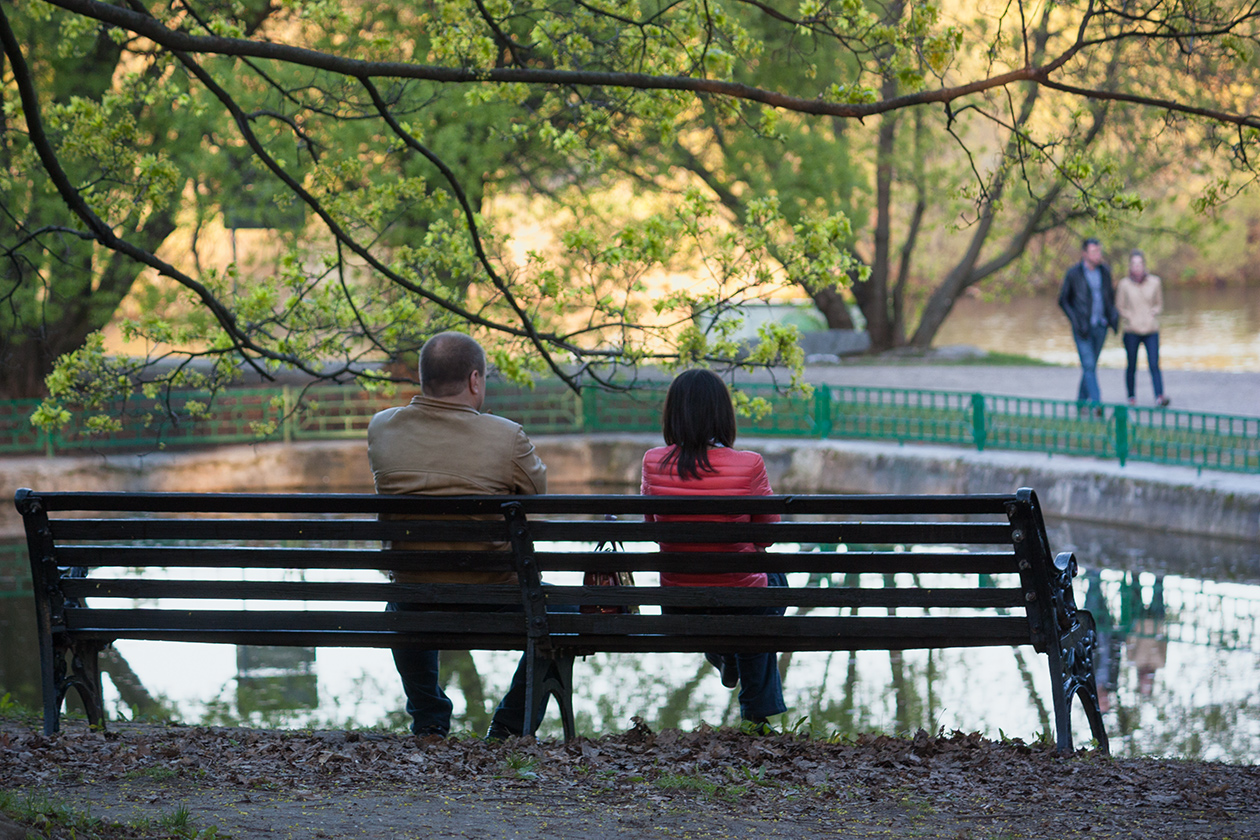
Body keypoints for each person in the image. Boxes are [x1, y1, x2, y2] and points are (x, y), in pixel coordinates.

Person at [367, 331, 563, 740]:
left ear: (423, 379)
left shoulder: (382, 428)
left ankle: (430, 719)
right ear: (475, 381)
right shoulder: (506, 437)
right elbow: (537, 495)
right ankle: (509, 727)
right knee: (562, 619)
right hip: (496, 598)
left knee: (403, 599)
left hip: (415, 599)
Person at [640, 369, 788, 732]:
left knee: (758, 597)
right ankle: (755, 713)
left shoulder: (652, 462)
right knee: (772, 586)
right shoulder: (749, 464)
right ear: (723, 414)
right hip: (741, 601)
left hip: (677, 602)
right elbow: (767, 535)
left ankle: (726, 655)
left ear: (673, 413)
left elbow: (652, 531)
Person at [1058, 237, 1119, 406]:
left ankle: (1080, 403)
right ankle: (1097, 403)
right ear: (1084, 253)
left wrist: (1112, 316)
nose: (1098, 255)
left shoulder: (1105, 272)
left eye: (1099, 251)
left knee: (1090, 367)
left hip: (1100, 326)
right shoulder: (1074, 274)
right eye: (1094, 252)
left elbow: (1110, 297)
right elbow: (1063, 300)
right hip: (1082, 328)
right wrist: (1075, 320)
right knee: (1089, 365)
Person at [1115, 250, 1171, 407]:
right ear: (1130, 266)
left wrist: (1154, 311)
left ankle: (1159, 396)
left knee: (1154, 364)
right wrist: (1129, 316)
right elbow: (1119, 306)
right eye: (1134, 264)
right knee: (1131, 365)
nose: (1137, 267)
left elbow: (1159, 303)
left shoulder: (1155, 282)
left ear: (1144, 265)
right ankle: (1131, 396)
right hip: (1132, 330)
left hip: (1150, 329)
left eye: (1139, 263)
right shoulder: (1124, 284)